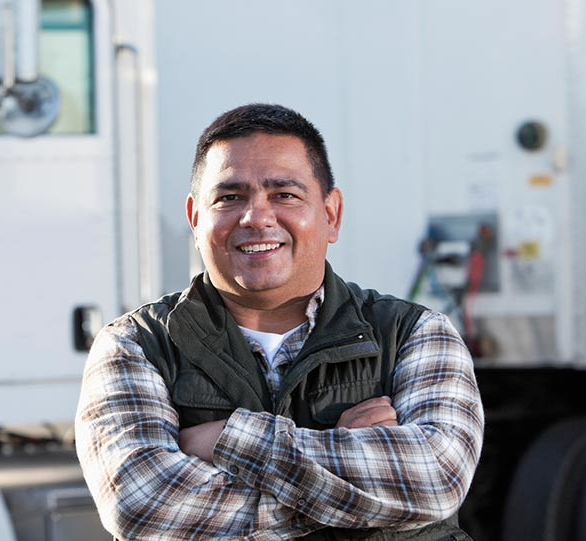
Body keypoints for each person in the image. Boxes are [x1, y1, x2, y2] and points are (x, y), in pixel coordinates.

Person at [75, 103, 484, 540]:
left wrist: (229, 439)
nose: (256, 217)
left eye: (284, 194)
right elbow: (145, 507)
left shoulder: (416, 334)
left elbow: (435, 480)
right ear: (196, 219)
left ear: (331, 215)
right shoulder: (134, 346)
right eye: (230, 197)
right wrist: (355, 485)